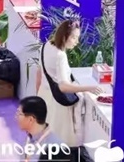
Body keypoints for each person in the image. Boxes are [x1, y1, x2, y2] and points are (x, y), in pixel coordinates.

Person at [37, 19, 103, 147]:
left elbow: (39, 73)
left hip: (44, 96)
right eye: (74, 38)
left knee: (45, 139)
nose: (76, 42)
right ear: (64, 36)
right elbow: (63, 86)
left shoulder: (45, 46)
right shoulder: (60, 55)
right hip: (58, 104)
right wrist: (88, 88)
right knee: (60, 142)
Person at [8, 96, 66, 162]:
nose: (16, 117)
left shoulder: (55, 147)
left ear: (31, 119)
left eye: (19, 114)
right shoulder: (29, 138)